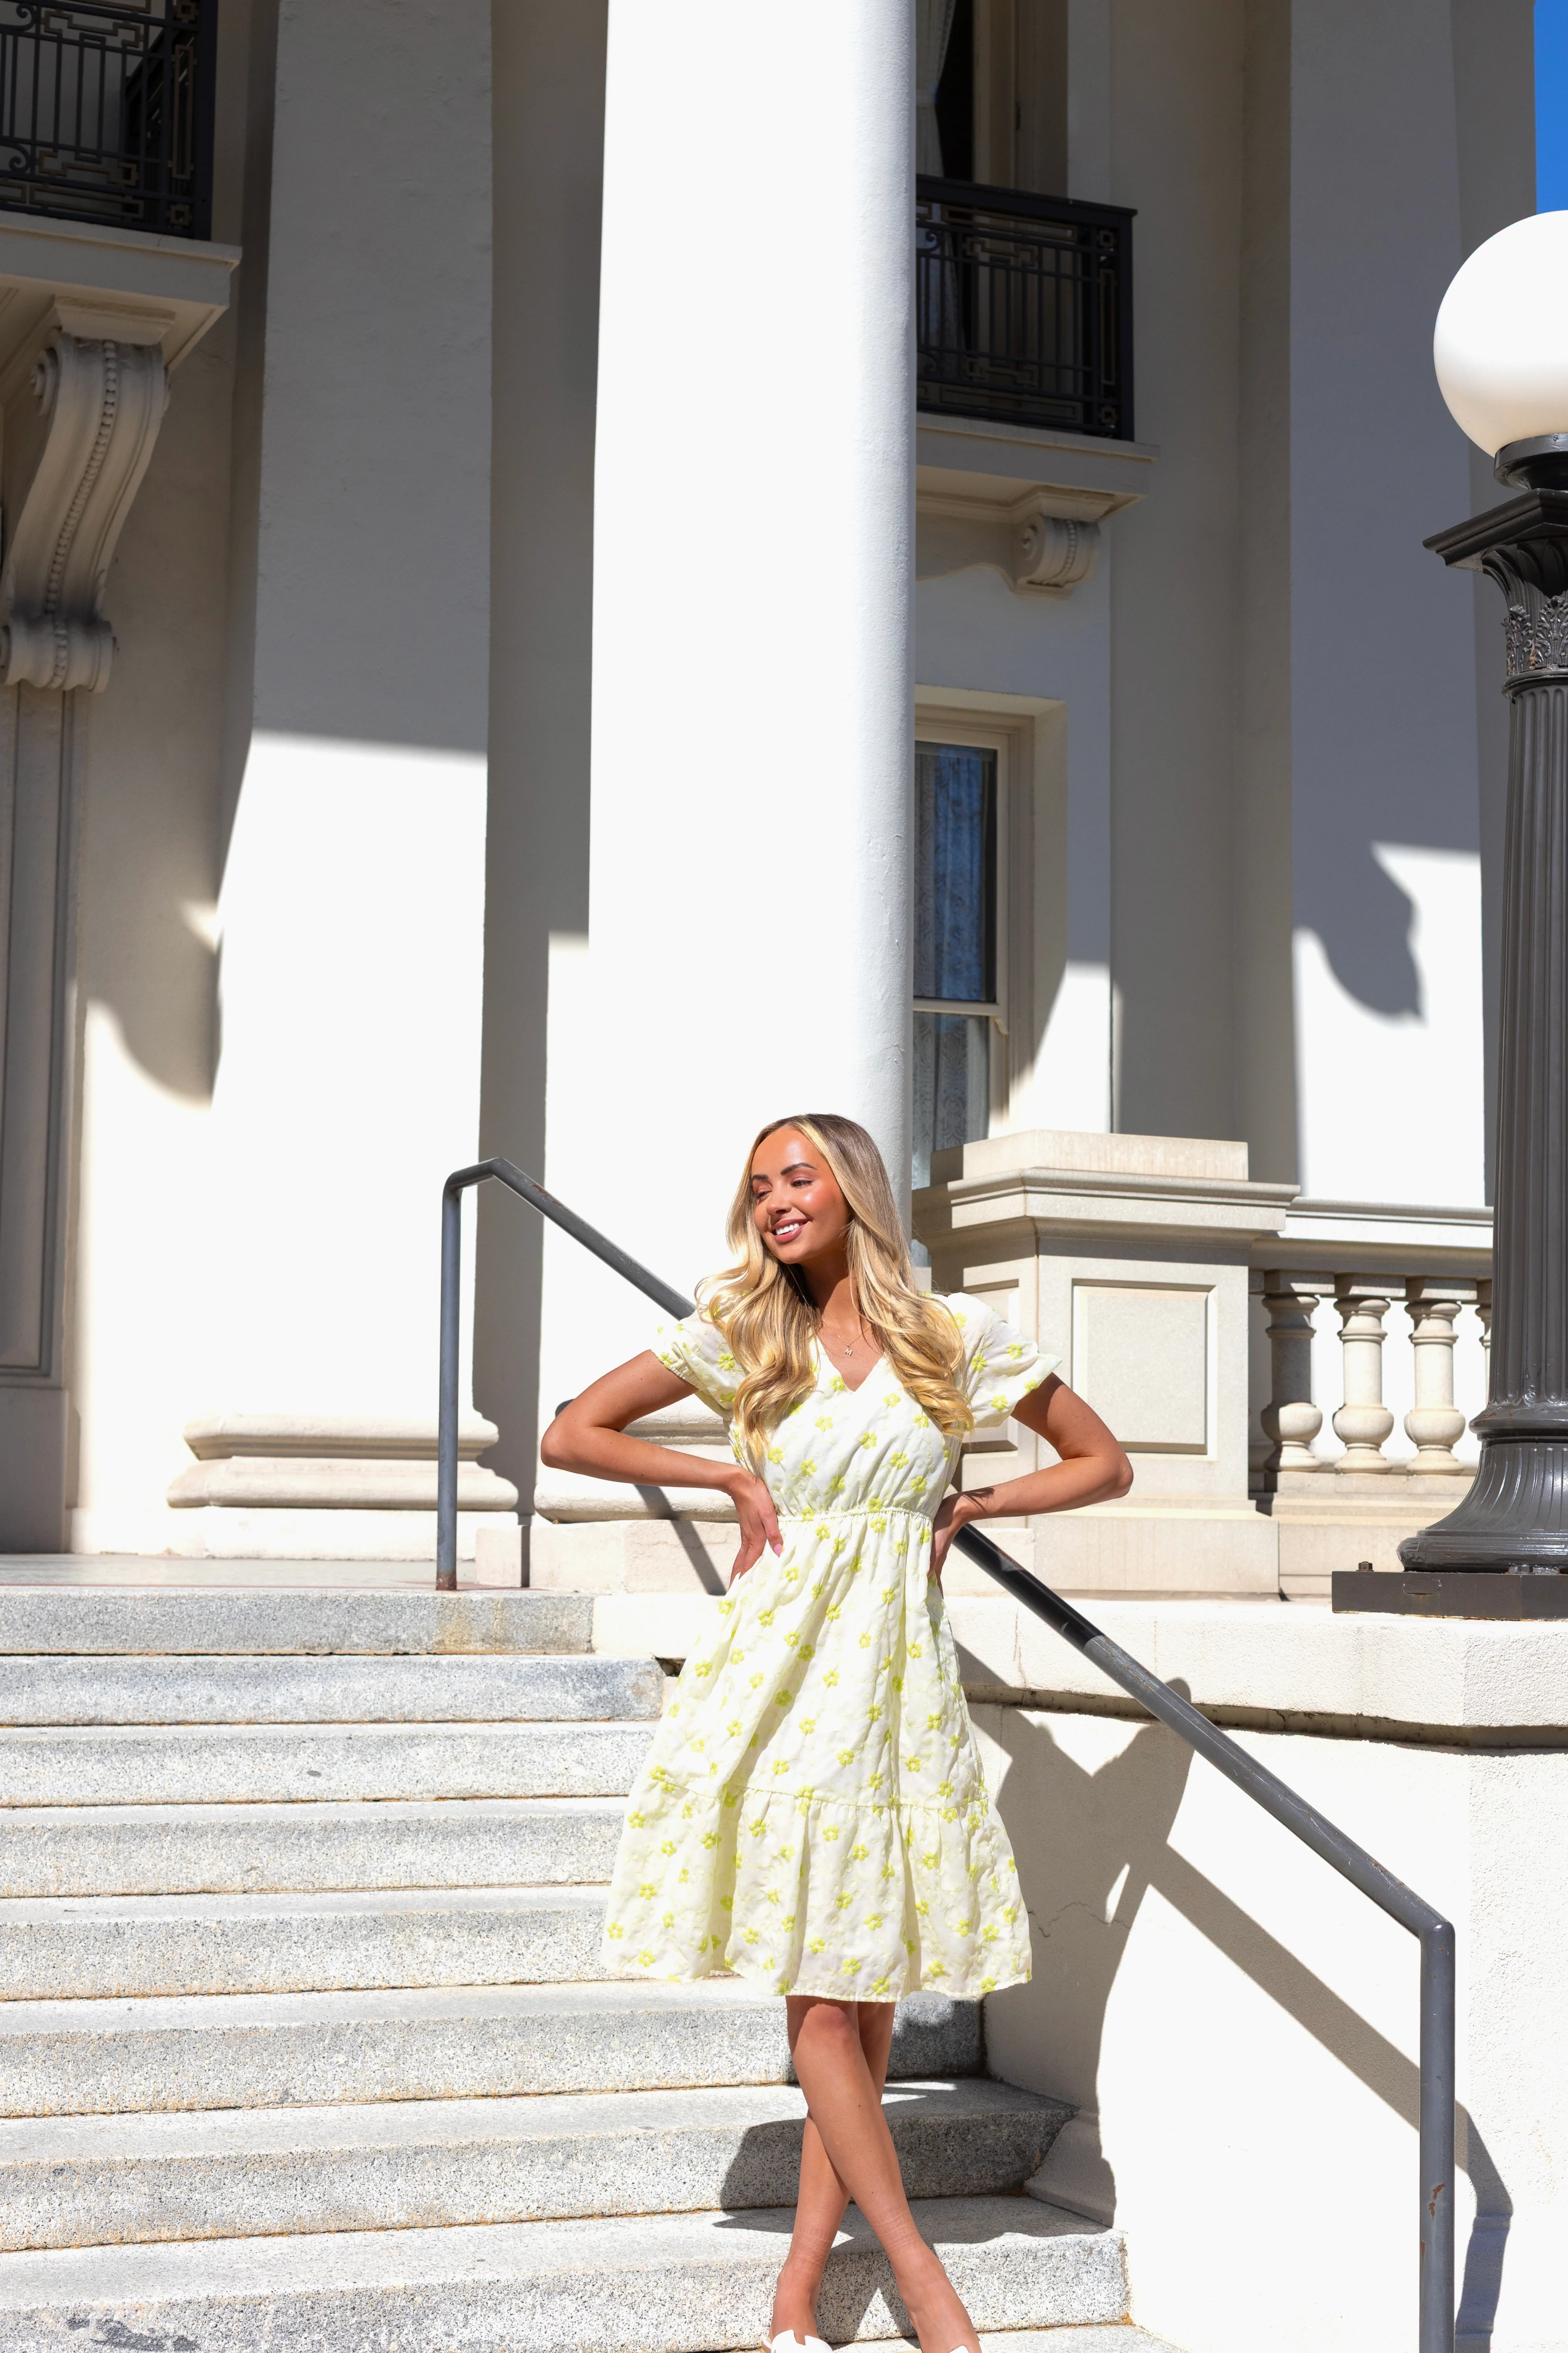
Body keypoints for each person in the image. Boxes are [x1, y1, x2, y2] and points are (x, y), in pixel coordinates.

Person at [541, 1112, 1132, 2353]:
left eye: (795, 1179)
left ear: (852, 1189)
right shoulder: (743, 1330)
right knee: (823, 1997)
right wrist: (729, 1480)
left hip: (899, 1688)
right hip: (777, 1671)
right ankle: (922, 2282)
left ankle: (798, 2296)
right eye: (757, 1188)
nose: (772, 1204)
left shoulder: (954, 1336)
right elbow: (572, 1431)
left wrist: (974, 1501)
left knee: (862, 2005)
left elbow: (1100, 1461)